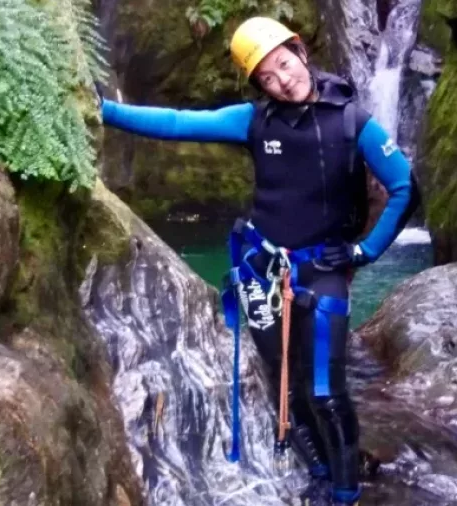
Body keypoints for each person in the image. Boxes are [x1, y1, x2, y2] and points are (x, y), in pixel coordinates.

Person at [99, 16, 415, 506]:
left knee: (326, 391)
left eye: (284, 64)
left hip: (323, 270)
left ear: (301, 53)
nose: (282, 80)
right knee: (283, 379)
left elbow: (404, 186)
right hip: (262, 268)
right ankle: (317, 470)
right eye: (267, 76)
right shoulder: (254, 120)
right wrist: (103, 110)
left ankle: (346, 492)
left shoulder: (353, 122)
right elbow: (178, 123)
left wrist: (364, 251)